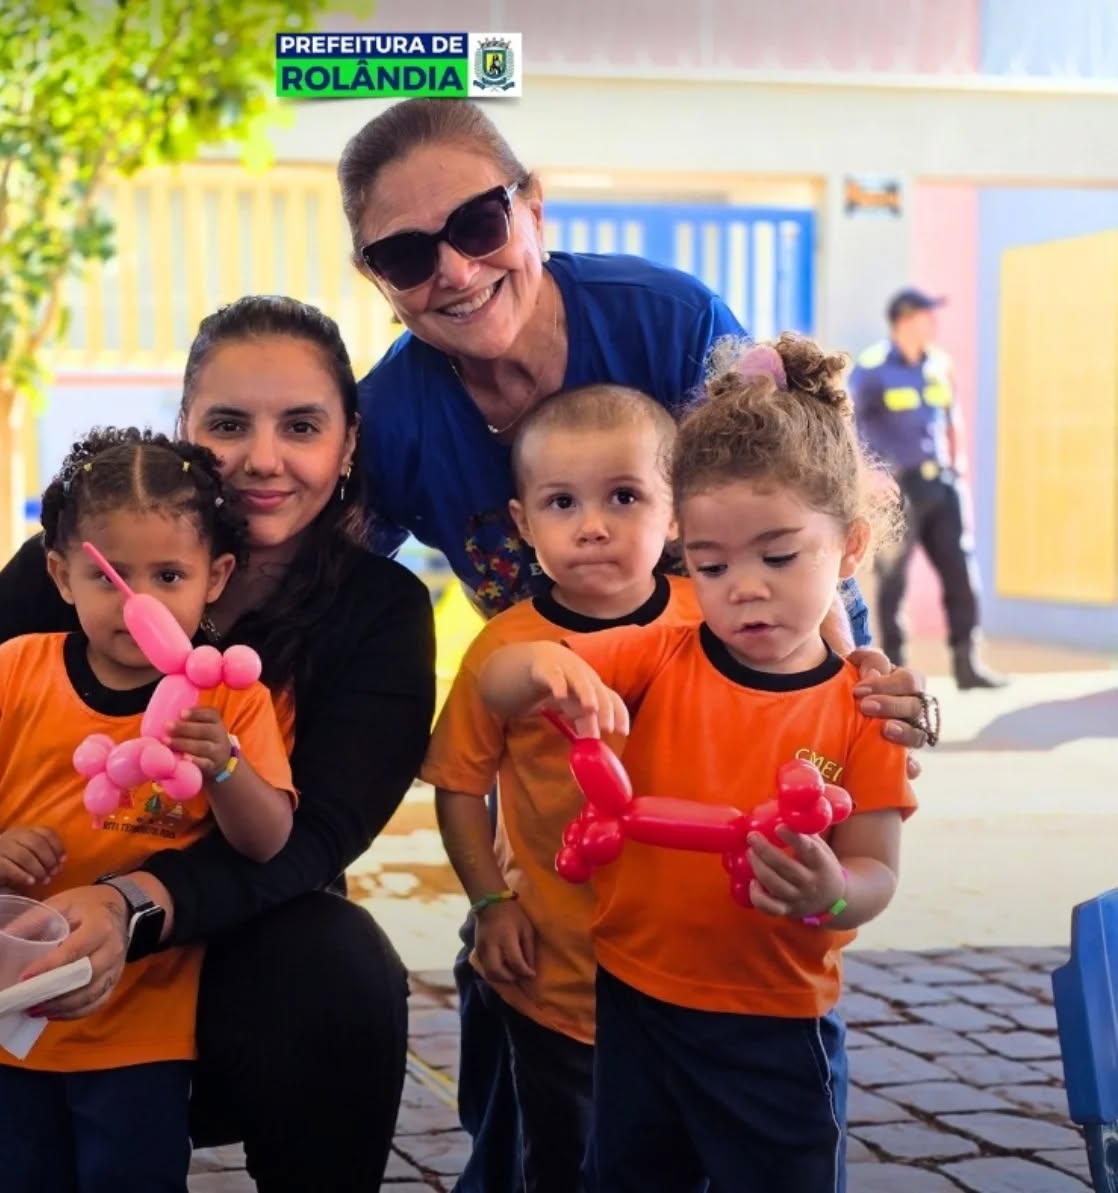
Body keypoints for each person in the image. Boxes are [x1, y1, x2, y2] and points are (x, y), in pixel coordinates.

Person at [339, 97, 932, 1191]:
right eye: (407, 254)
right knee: (539, 1118)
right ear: (375, 276)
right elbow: (324, 581)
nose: (455, 270)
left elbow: (790, 489)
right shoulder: (400, 419)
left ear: (532, 206)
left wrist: (853, 680)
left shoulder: (665, 322)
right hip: (557, 818)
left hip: (716, 806)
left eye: (477, 223)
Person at [0, 296, 436, 1193]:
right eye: (228, 424)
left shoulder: (380, 614)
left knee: (344, 963)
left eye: (302, 426)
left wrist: (132, 905)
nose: (263, 458)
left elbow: (311, 841)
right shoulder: (71, 571)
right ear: (186, 428)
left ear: (347, 443)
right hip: (26, 940)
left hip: (229, 950)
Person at [479, 334, 923, 1193]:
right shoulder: (660, 654)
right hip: (634, 1000)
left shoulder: (863, 709)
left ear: (851, 547)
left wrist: (830, 890)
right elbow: (499, 687)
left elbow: (877, 871)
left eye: (779, 556)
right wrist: (543, 666)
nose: (744, 586)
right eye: (712, 565)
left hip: (775, 1022)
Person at [0, 430, 296, 1192]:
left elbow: (267, 840)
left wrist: (224, 766)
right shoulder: (12, 671)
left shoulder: (230, 699)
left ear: (216, 577)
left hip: (140, 1026)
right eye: (110, 576)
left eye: (169, 575)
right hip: (1, 1007)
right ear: (62, 574)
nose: (138, 603)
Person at [424, 383, 701, 1191]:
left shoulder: (710, 620)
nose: (592, 525)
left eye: (625, 496)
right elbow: (458, 786)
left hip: (691, 973)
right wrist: (489, 902)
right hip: (556, 974)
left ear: (676, 513)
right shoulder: (503, 648)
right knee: (561, 1161)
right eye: (561, 502)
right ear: (522, 522)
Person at [850, 288, 1005, 689]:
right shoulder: (872, 369)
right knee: (893, 581)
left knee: (961, 572)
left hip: (941, 484)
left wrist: (957, 467)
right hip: (897, 490)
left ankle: (967, 663)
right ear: (904, 321)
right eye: (926, 315)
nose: (934, 323)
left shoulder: (938, 364)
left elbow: (951, 417)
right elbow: (850, 425)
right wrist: (871, 475)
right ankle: (896, 666)